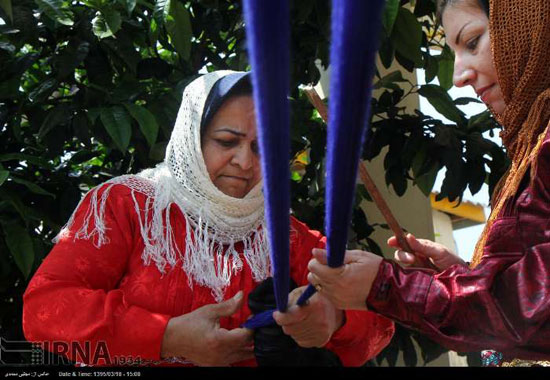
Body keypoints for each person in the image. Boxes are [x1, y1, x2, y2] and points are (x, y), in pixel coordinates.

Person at [22, 70, 394, 367]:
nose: (244, 162)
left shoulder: (289, 237)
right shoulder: (127, 206)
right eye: (227, 141)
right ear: (192, 139)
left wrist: (333, 319)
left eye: (261, 148)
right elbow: (44, 310)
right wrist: (167, 337)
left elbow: (379, 321)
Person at [307, 0, 550, 366]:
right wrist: (457, 277)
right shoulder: (532, 146)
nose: (458, 76)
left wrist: (388, 287)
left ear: (527, 19)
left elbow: (526, 306)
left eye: (472, 42)